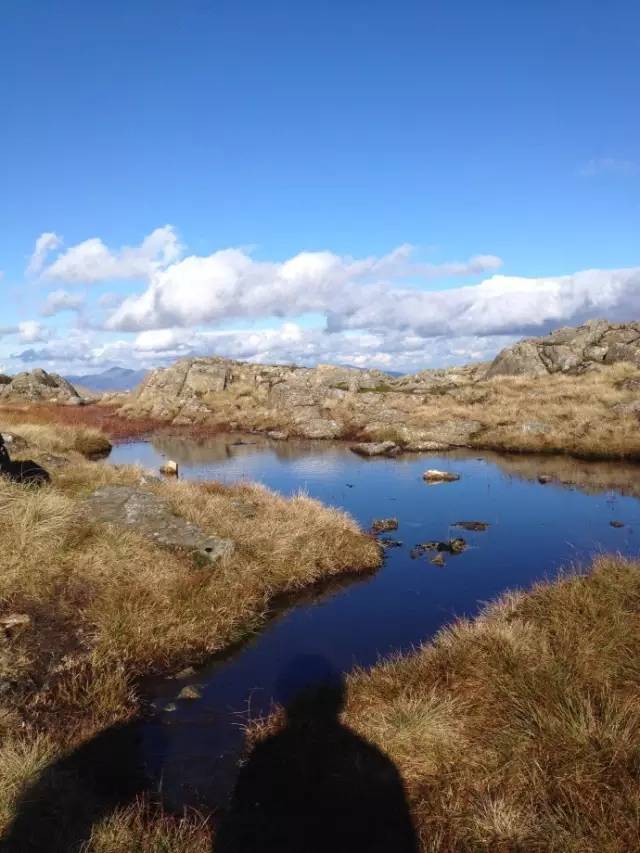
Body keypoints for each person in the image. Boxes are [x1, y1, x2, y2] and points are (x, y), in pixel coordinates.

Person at [216, 656, 419, 853]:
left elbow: (236, 830)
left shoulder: (264, 757)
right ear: (339, 700)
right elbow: (400, 835)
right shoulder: (371, 761)